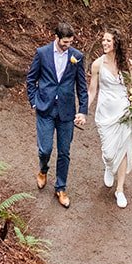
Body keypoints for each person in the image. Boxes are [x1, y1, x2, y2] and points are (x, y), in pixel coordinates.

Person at [26, 19, 87, 208]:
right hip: (45, 108)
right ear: (56, 37)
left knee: (64, 151)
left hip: (66, 112)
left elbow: (82, 87)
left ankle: (60, 188)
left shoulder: (77, 57)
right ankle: (43, 169)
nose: (68, 46)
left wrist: (82, 111)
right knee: (45, 149)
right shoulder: (42, 53)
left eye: (70, 42)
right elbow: (31, 79)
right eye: (64, 42)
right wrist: (34, 101)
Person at [87, 27, 132, 209]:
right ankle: (109, 165)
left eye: (108, 40)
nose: (104, 43)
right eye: (103, 40)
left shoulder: (128, 64)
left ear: (116, 43)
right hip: (105, 115)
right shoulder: (97, 65)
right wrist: (82, 109)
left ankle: (120, 190)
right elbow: (92, 90)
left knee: (124, 149)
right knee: (109, 152)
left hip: (124, 113)